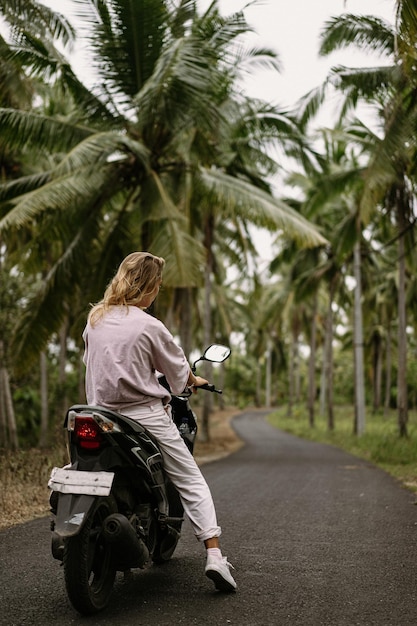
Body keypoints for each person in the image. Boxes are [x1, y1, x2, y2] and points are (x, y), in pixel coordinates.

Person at [82, 251, 236, 592]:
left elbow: (98, 362)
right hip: (143, 416)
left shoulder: (95, 319)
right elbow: (180, 377)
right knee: (191, 480)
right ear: (149, 286)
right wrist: (194, 381)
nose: (157, 292)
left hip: (98, 415)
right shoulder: (150, 325)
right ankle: (214, 556)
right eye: (158, 286)